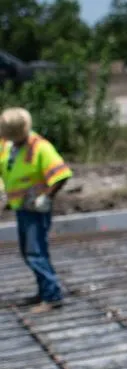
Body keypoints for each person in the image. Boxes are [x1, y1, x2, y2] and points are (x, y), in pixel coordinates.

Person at [0, 108, 72, 313]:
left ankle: (52, 296)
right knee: (30, 251)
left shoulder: (40, 147)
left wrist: (47, 197)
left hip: (36, 209)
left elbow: (62, 174)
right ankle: (44, 291)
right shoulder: (7, 146)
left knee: (35, 252)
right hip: (21, 208)